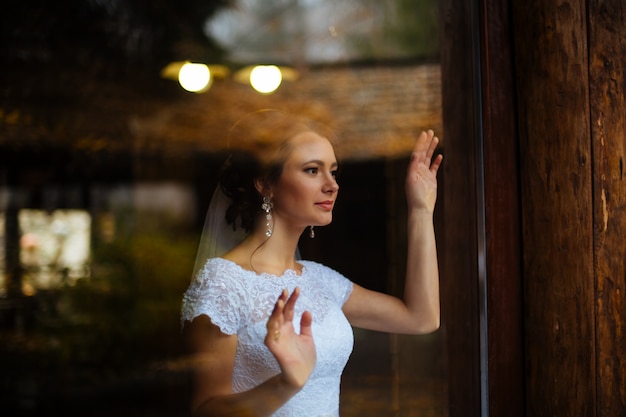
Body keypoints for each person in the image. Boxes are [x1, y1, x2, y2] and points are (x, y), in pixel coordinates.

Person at [180, 110, 442, 417]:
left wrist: (421, 211)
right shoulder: (223, 283)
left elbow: (421, 318)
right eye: (312, 170)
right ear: (265, 183)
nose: (332, 185)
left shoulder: (321, 280)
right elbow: (205, 411)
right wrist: (287, 383)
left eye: (333, 171)